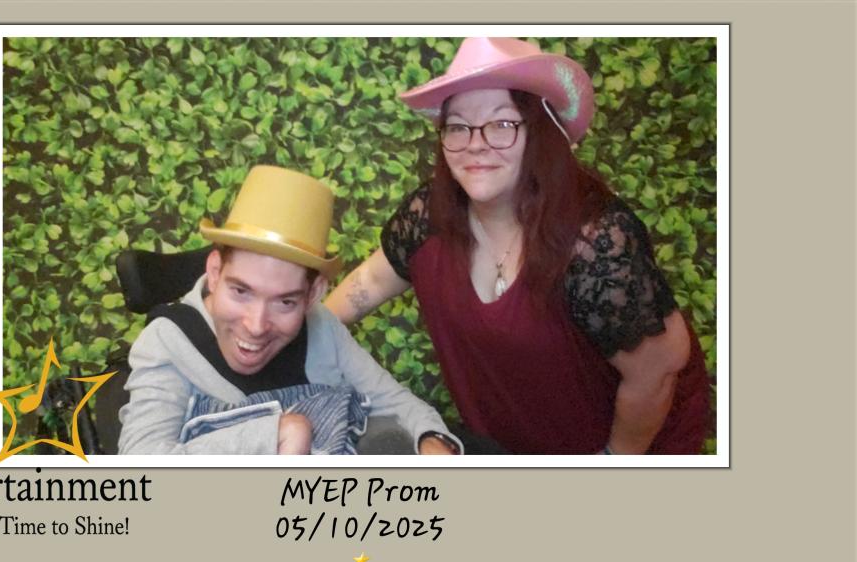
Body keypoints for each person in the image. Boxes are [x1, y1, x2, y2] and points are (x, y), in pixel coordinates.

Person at [325, 37, 711, 455]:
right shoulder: (430, 215)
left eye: (502, 124)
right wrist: (296, 330)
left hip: (630, 445)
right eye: (458, 126)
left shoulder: (596, 243)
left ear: (540, 133)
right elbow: (372, 281)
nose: (475, 143)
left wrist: (612, 463)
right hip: (517, 444)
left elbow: (658, 370)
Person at [118, 165, 462, 455]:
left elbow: (396, 403)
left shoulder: (322, 327)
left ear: (313, 295)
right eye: (241, 291)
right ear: (215, 271)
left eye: (285, 302)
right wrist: (278, 433)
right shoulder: (167, 342)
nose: (256, 326)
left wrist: (432, 440)